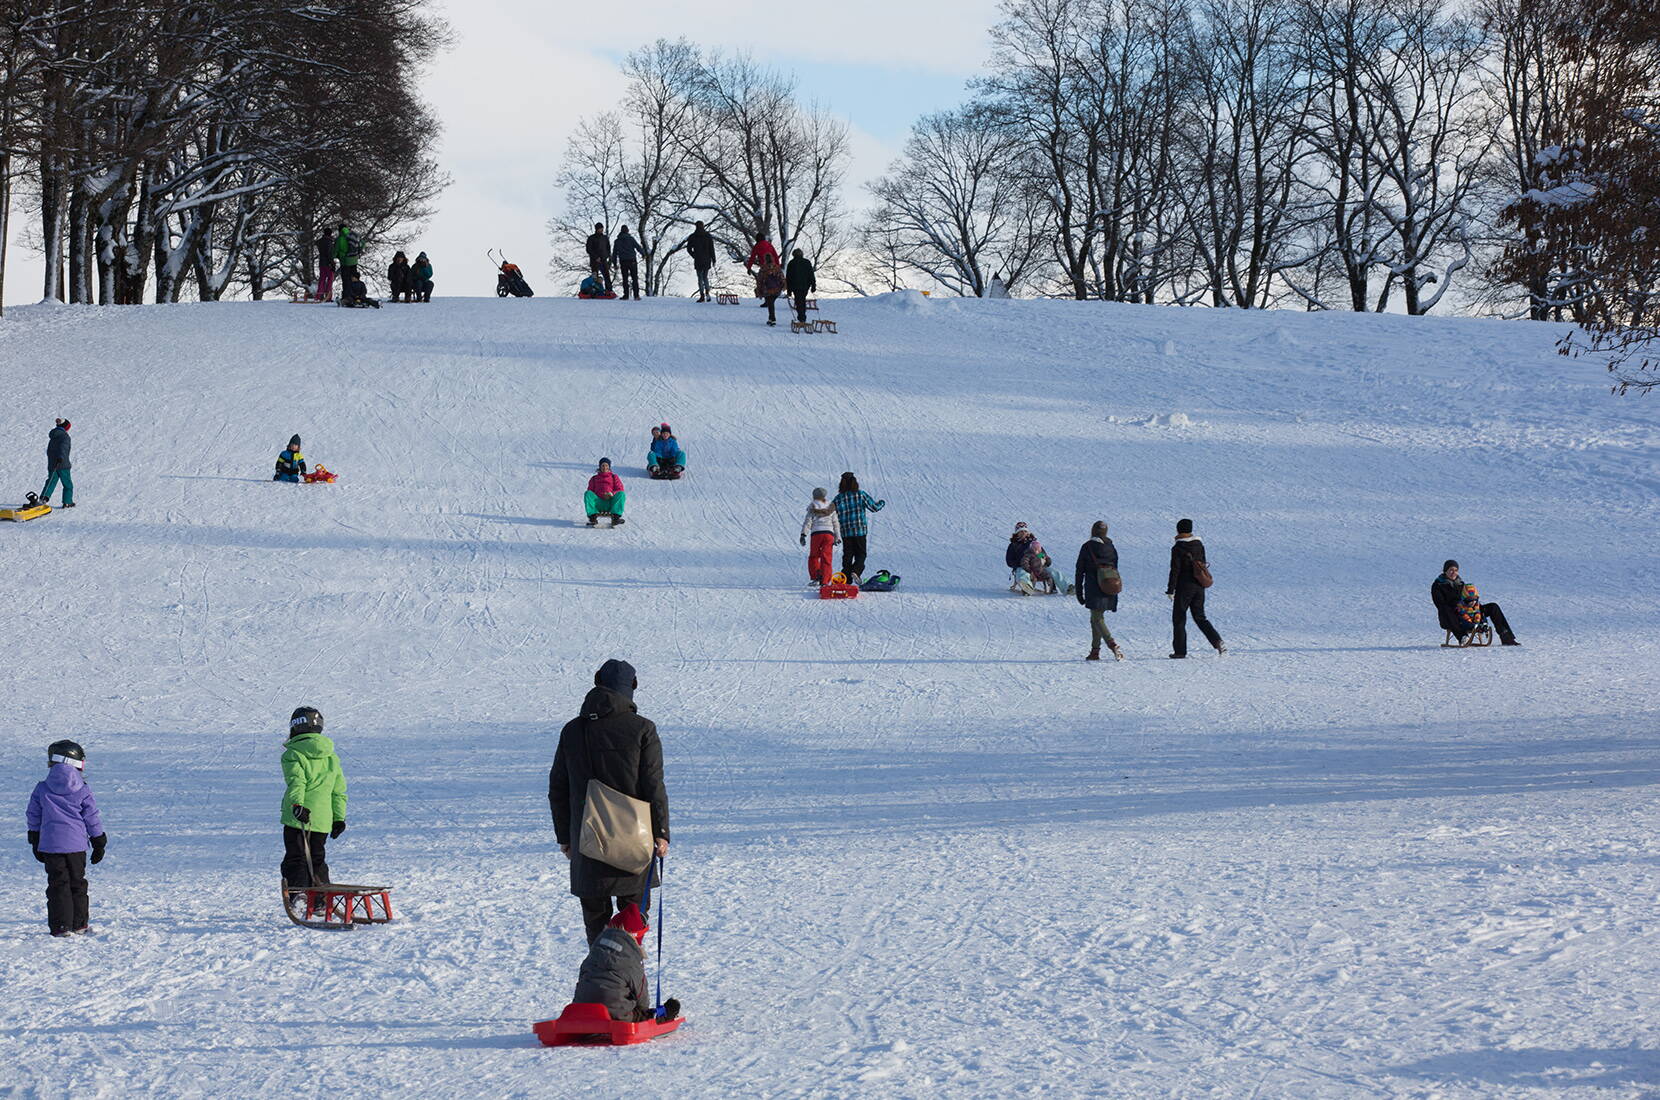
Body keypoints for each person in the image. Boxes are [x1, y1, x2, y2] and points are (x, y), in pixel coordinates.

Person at [549, 659, 670, 944]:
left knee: (597, 935)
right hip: (634, 844)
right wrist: (661, 832)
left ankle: (599, 984)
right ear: (632, 687)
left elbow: (558, 787)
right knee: (631, 933)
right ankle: (628, 985)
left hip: (587, 843)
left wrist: (565, 837)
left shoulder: (572, 731)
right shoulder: (643, 729)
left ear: (597, 682)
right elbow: (653, 784)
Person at [26, 740, 106, 936]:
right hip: (76, 846)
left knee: (57, 884)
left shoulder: (42, 788)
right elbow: (92, 816)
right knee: (77, 882)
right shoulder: (83, 789)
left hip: (51, 846)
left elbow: (33, 815)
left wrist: (35, 838)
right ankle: (79, 924)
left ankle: (61, 926)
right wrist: (98, 841)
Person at [279, 706, 347, 913]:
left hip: (299, 817)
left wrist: (297, 806)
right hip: (323, 819)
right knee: (317, 858)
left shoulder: (293, 754)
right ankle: (320, 899)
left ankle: (299, 895)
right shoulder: (331, 757)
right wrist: (338, 818)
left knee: (297, 857)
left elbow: (297, 783)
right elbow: (339, 790)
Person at [572, 902, 680, 1022]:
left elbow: (582, 978)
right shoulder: (631, 959)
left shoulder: (595, 952)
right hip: (616, 1015)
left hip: (581, 1009)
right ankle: (663, 1016)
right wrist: (643, 1011)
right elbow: (641, 998)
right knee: (642, 1014)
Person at [1166, 518, 1224, 658]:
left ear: (1178, 530)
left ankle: (1180, 651)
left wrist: (1171, 589)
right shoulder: (1199, 545)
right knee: (1200, 617)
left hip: (1184, 587)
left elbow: (1175, 570)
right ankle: (1217, 641)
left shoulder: (1178, 548)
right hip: (1199, 586)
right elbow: (1202, 563)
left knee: (1179, 618)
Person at [1432, 560, 1520, 645]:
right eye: (1451, 570)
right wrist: (1458, 606)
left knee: (1493, 607)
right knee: (1446, 609)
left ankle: (1506, 637)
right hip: (1451, 616)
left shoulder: (1461, 584)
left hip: (1469, 611)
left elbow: (1468, 596)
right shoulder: (1438, 585)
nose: (1453, 572)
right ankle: (1462, 636)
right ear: (1445, 571)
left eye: (1456, 570)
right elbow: (1440, 604)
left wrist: (1473, 603)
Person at [1075, 521, 1125, 661]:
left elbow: (1080, 570)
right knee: (1095, 619)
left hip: (1094, 587)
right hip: (1109, 585)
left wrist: (1079, 592)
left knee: (1097, 618)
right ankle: (1095, 651)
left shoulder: (1087, 547)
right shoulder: (1111, 546)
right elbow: (1115, 565)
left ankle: (1112, 644)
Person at [832, 472, 885, 584]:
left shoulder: (838, 499)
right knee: (861, 553)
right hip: (860, 530)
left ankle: (846, 578)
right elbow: (874, 507)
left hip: (846, 532)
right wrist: (882, 503)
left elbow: (830, 514)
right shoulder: (860, 494)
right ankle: (856, 571)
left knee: (847, 555)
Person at [800, 487, 841, 585]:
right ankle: (825, 581)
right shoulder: (831, 507)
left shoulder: (812, 507)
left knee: (814, 556)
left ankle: (816, 578)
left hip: (816, 534)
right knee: (826, 557)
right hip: (828, 535)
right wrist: (837, 536)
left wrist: (803, 534)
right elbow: (836, 523)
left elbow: (808, 522)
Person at [1007, 523, 1060, 595]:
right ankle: (1027, 587)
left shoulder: (1034, 544)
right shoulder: (1013, 545)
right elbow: (1009, 561)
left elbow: (1041, 554)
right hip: (1023, 567)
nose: (1023, 533)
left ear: (1028, 533)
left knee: (1054, 572)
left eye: (1025, 531)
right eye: (1021, 532)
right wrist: (1021, 563)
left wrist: (1045, 559)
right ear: (1017, 533)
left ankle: (1068, 587)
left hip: (1038, 567)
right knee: (1022, 574)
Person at [41, 418, 73, 507]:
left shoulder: (53, 436)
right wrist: (61, 457)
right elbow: (64, 448)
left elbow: (49, 451)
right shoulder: (65, 436)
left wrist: (52, 460)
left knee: (51, 482)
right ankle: (67, 502)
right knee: (67, 484)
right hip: (63, 464)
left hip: (52, 464)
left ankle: (43, 498)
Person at [585, 458, 626, 526]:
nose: (604, 467)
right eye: (603, 465)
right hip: (598, 502)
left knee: (621, 494)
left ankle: (616, 518)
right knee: (588, 493)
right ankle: (592, 517)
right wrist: (600, 495)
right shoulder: (594, 478)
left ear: (609, 467)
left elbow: (620, 488)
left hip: (611, 503)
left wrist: (611, 494)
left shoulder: (614, 477)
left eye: (606, 465)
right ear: (600, 467)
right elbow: (590, 492)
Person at [684, 221, 717, 302]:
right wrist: (713, 259)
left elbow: (688, 249)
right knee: (705, 277)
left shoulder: (693, 236)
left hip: (698, 259)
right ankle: (707, 293)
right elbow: (711, 249)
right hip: (707, 259)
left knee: (700, 278)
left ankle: (702, 295)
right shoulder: (708, 236)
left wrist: (694, 255)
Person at [786, 248, 816, 323]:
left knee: (798, 301)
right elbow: (811, 275)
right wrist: (813, 285)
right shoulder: (807, 262)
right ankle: (802, 316)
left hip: (795, 286)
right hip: (805, 286)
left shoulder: (791, 263)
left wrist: (789, 290)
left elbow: (788, 277)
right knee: (802, 300)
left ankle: (801, 317)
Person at [613, 225, 642, 301]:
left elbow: (614, 253)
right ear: (627, 231)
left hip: (623, 262)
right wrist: (644, 254)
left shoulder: (617, 241)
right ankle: (636, 295)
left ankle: (626, 295)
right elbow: (638, 247)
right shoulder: (631, 239)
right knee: (634, 278)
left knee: (625, 279)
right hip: (632, 261)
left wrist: (615, 264)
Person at [756, 257, 786, 327]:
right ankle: (770, 319)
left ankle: (773, 319)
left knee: (770, 303)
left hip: (767, 290)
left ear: (765, 260)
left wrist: (759, 291)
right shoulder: (777, 268)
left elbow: (759, 280)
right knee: (771, 303)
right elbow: (782, 278)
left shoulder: (763, 269)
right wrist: (783, 286)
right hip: (776, 290)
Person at [586, 223, 613, 293]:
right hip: (594, 261)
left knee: (607, 276)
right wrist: (596, 257)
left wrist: (606, 256)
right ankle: (595, 290)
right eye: (600, 228)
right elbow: (589, 249)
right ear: (597, 229)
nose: (601, 230)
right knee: (594, 277)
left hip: (603, 260)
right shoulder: (591, 238)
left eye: (602, 228)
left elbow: (608, 248)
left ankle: (609, 290)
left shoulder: (605, 238)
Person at [315, 231, 337, 301]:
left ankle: (319, 296)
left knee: (322, 279)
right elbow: (329, 254)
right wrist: (332, 263)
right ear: (330, 234)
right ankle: (328, 296)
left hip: (321, 262)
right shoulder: (329, 242)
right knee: (330, 280)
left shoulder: (320, 242)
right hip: (328, 264)